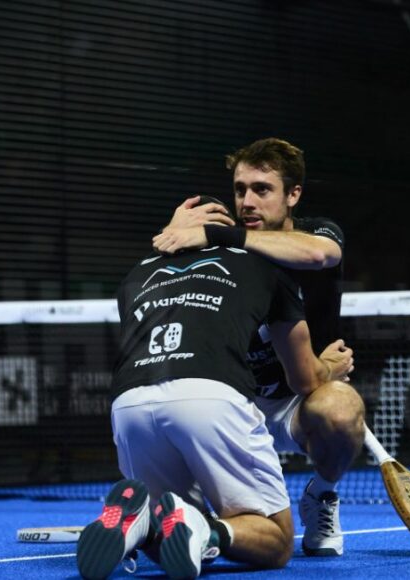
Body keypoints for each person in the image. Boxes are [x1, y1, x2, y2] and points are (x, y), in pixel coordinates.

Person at [75, 197, 352, 579]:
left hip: (129, 406)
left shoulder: (137, 274)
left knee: (174, 527)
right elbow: (304, 378)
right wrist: (331, 367)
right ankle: (207, 529)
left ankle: (140, 526)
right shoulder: (263, 265)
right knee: (276, 540)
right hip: (207, 397)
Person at [152, 137, 365, 556]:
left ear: (293, 195)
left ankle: (321, 495)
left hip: (299, 398)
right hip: (230, 401)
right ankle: (193, 519)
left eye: (262, 189)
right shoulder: (221, 248)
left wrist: (218, 233)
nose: (247, 202)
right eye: (240, 190)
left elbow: (320, 255)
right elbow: (161, 285)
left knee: (341, 410)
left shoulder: (316, 232)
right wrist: (173, 233)